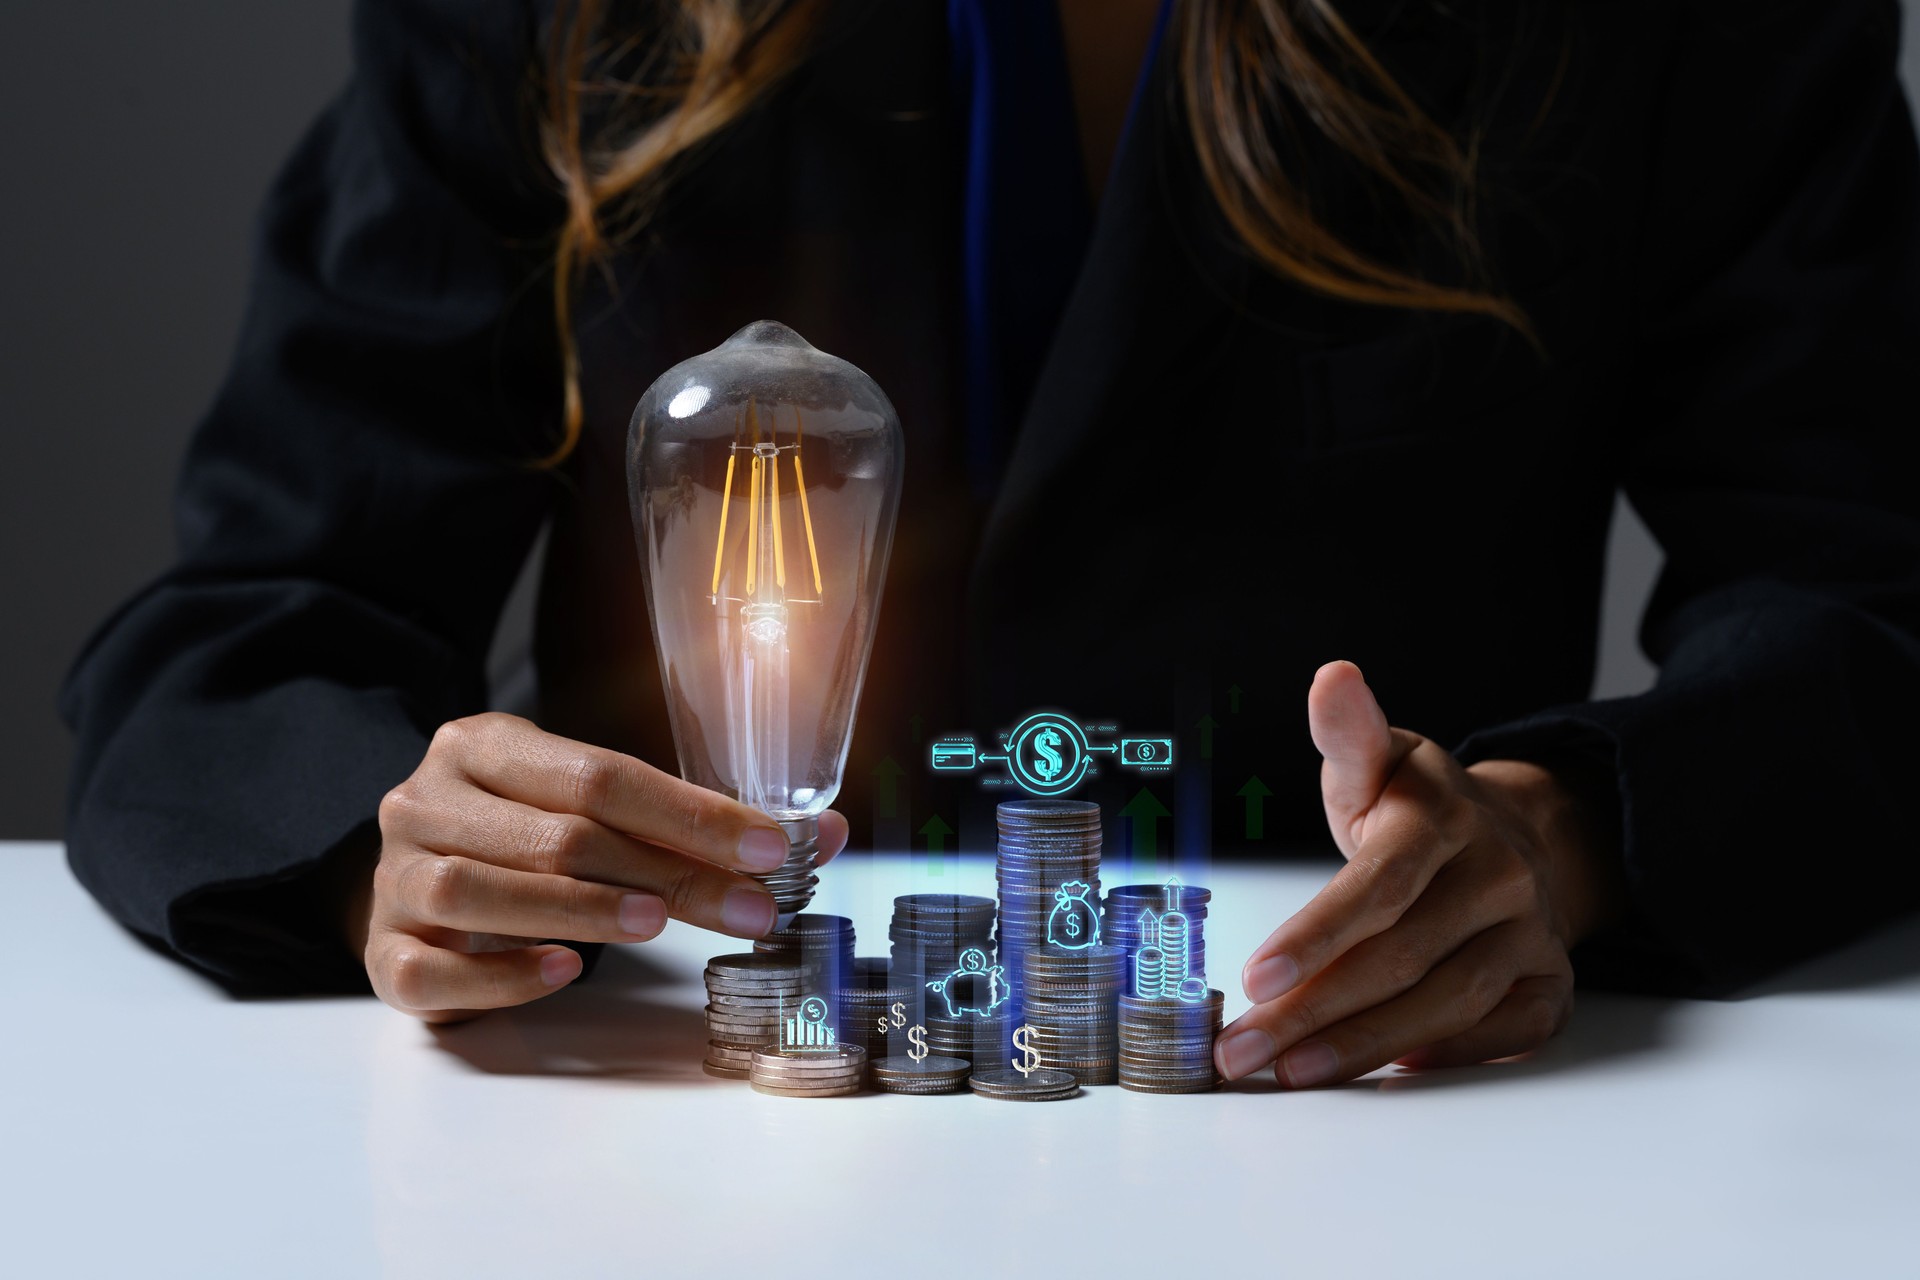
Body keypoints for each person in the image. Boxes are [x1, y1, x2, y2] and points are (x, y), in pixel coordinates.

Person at [60, 0, 1920, 1091]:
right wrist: (390, 849)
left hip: (1359, 1118)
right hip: (661, 1121)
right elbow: (247, 633)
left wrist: (1566, 835)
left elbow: (1873, 602)